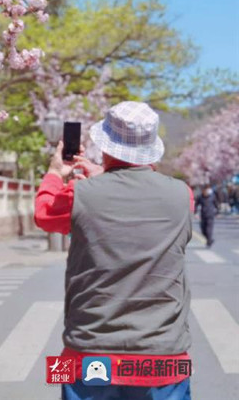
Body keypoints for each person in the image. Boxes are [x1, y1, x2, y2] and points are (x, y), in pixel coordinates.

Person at [35, 102, 193, 400]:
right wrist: (106, 176)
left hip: (89, 354)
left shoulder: (79, 194)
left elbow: (44, 213)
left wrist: (55, 172)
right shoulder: (182, 195)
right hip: (164, 358)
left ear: (106, 146)